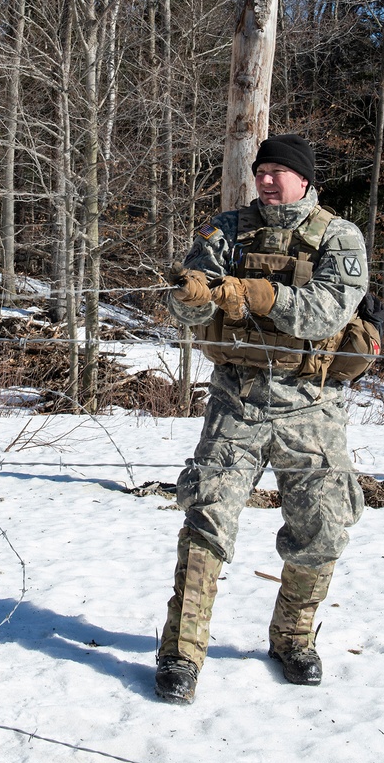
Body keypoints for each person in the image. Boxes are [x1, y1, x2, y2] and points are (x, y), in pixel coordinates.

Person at [156, 133, 370, 704]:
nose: (268, 180)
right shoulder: (225, 230)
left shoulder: (338, 236)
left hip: (311, 405)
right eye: (262, 170)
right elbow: (188, 307)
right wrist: (193, 294)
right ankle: (181, 654)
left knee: (323, 526)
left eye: (280, 171)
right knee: (207, 518)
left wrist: (258, 294)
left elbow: (327, 311)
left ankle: (294, 639)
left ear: (304, 178)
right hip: (237, 398)